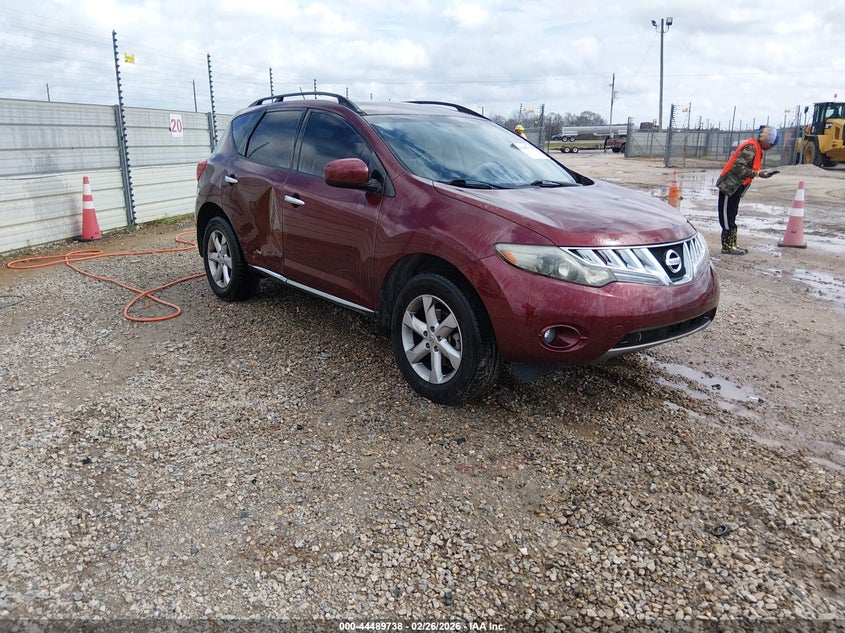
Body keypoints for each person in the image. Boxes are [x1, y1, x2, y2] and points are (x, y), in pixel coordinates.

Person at [715, 125, 779, 255]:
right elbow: (737, 167)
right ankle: (727, 246)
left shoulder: (756, 148)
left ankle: (732, 244)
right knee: (727, 216)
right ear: (766, 141)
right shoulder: (751, 147)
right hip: (730, 186)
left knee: (732, 214)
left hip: (736, 186)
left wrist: (758, 173)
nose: (771, 147)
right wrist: (757, 174)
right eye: (771, 144)